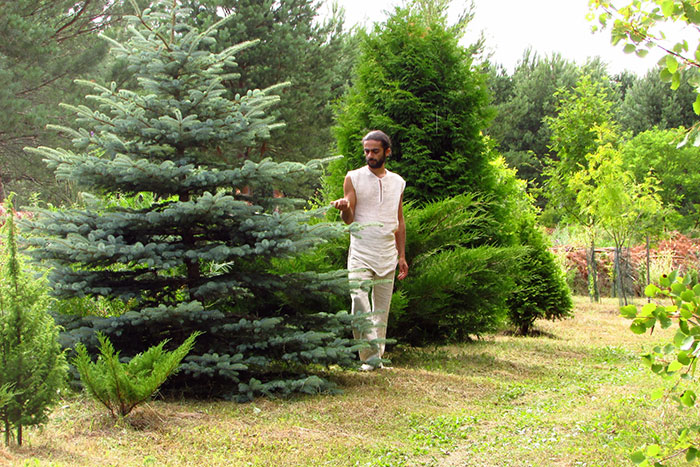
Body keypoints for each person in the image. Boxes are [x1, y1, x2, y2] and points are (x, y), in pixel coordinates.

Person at [332, 130, 408, 371]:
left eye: (375, 151)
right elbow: (349, 218)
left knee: (381, 311)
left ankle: (377, 358)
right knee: (358, 299)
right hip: (361, 252)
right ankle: (369, 357)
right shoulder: (353, 178)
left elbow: (400, 220)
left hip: (387, 254)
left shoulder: (398, 182)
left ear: (387, 151)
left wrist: (402, 255)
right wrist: (344, 207)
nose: (369, 155)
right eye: (366, 151)